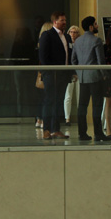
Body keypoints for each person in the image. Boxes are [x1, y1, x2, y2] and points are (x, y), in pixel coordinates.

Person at [71, 16, 111, 142]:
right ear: (90, 27)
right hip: (95, 77)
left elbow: (73, 60)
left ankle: (82, 133)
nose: (97, 26)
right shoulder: (96, 40)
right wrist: (105, 75)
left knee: (82, 106)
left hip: (83, 78)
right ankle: (98, 133)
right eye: (95, 24)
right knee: (97, 105)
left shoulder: (77, 41)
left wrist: (80, 71)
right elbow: (100, 61)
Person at [38, 11, 72, 140]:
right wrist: (51, 71)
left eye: (65, 20)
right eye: (62, 20)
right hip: (52, 75)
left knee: (59, 102)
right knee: (49, 101)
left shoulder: (67, 37)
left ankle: (56, 129)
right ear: (55, 22)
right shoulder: (47, 35)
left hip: (63, 75)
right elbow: (43, 56)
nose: (64, 22)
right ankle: (46, 129)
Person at [34, 21, 53, 130]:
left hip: (40, 72)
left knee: (41, 97)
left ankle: (39, 118)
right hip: (45, 72)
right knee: (47, 97)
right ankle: (43, 119)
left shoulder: (39, 43)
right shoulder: (47, 42)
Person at [63, 25, 82, 127]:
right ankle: (67, 118)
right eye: (71, 32)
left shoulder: (80, 44)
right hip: (69, 73)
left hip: (79, 73)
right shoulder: (66, 44)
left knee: (79, 96)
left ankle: (80, 117)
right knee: (68, 96)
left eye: (75, 32)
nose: (73, 34)